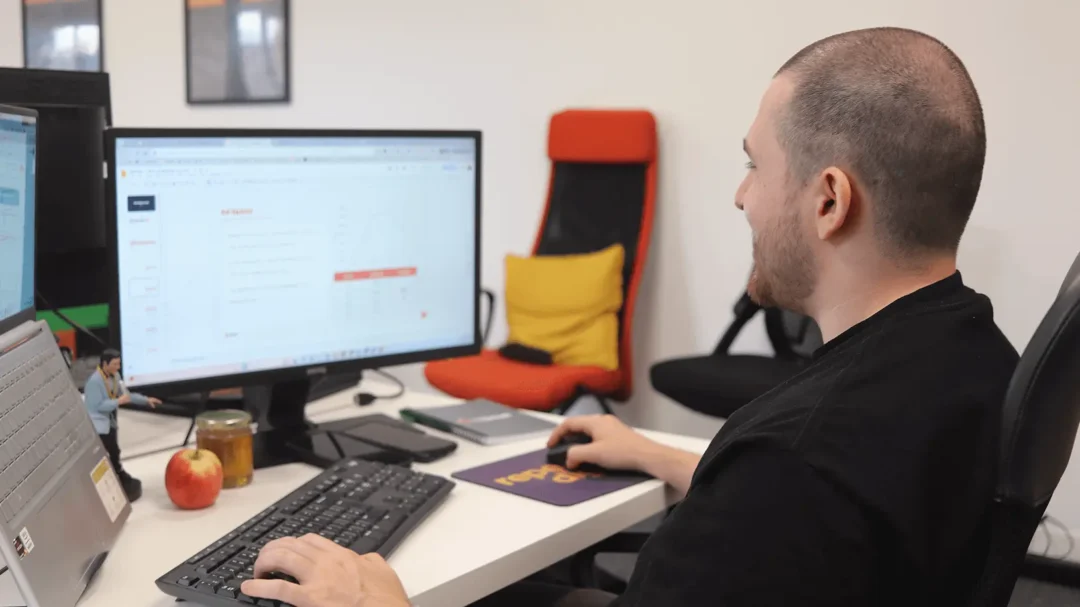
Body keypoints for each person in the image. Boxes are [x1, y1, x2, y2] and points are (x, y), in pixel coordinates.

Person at [238, 26, 1020, 607]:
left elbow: (803, 486)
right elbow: (848, 513)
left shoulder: (795, 465)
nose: (741, 196)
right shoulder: (974, 353)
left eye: (754, 164)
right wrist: (686, 463)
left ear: (828, 199)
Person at [83, 348, 161, 503]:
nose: (118, 367)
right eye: (115, 364)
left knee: (114, 450)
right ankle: (109, 477)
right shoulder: (94, 382)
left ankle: (117, 472)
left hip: (110, 421)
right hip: (98, 424)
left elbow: (127, 395)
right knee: (106, 452)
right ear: (105, 364)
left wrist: (146, 400)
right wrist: (118, 402)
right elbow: (95, 406)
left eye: (119, 364)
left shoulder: (115, 376)